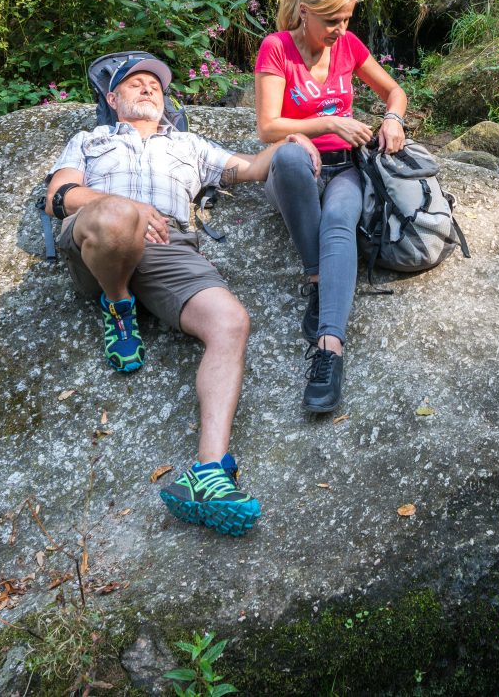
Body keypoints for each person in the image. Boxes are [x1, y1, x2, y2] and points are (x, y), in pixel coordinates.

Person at [45, 55, 320, 536]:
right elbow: (61, 196)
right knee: (115, 220)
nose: (149, 89)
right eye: (135, 84)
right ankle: (117, 301)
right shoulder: (90, 140)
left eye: (155, 85)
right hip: (101, 237)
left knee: (231, 322)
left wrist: (288, 142)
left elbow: (251, 169)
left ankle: (209, 474)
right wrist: (128, 206)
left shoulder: (189, 144)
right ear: (112, 100)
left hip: (168, 245)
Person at [254, 0, 408, 414]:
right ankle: (319, 276)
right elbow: (268, 127)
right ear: (305, 12)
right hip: (295, 172)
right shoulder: (277, 48)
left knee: (340, 221)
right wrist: (328, 122)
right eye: (332, 21)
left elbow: (393, 91)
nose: (340, 31)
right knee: (287, 155)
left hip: (345, 168)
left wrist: (393, 118)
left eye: (347, 20)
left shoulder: (348, 46)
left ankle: (329, 351)